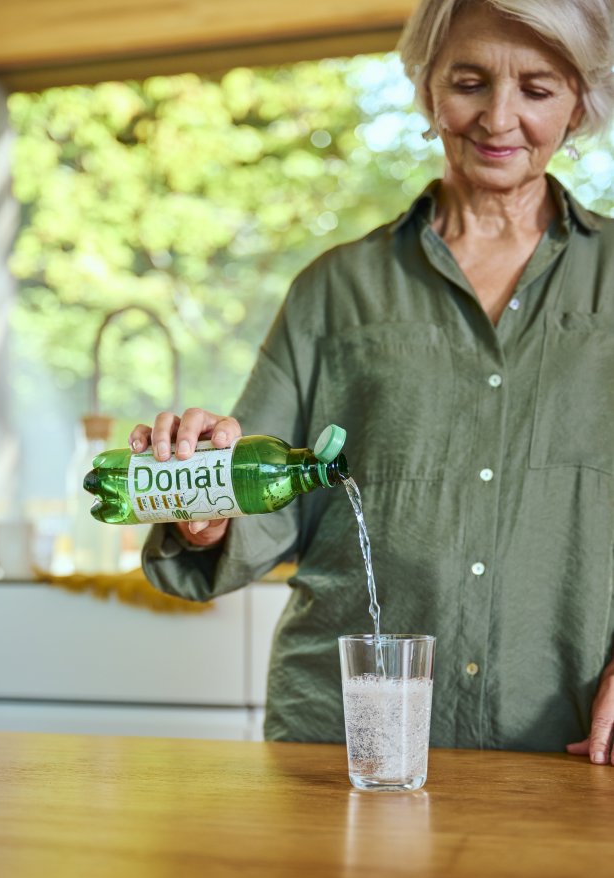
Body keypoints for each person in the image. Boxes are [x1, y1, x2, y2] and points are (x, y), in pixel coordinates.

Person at [131, 0, 614, 764]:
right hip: (344, 735)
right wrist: (203, 504)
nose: (498, 117)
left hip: (566, 732)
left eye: (536, 88)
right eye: (468, 82)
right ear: (426, 91)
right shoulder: (333, 289)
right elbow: (262, 497)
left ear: (579, 103)